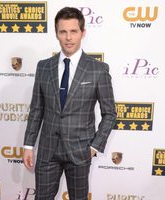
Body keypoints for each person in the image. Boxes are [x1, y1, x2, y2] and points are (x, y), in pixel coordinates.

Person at [23, 7, 116, 200]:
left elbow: (110, 113)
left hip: (80, 152)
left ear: (83, 33)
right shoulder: (44, 67)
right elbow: (36, 109)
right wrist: (28, 145)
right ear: (56, 33)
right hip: (48, 151)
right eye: (63, 31)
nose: (68, 38)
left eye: (73, 31)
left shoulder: (97, 70)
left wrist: (94, 146)